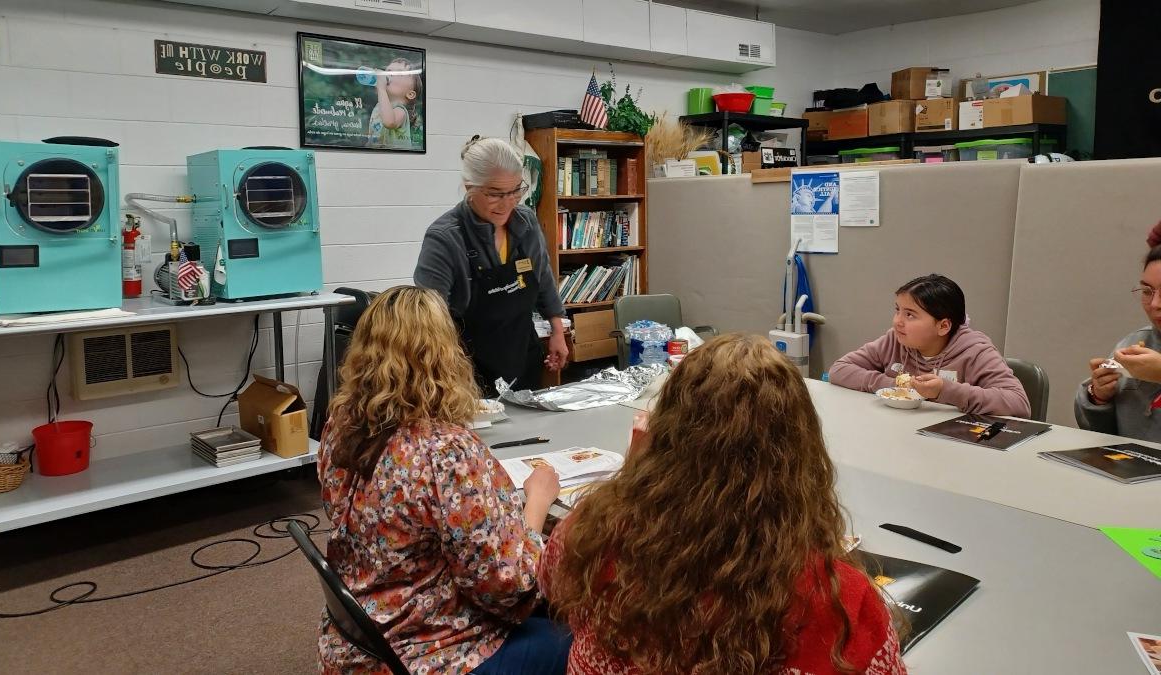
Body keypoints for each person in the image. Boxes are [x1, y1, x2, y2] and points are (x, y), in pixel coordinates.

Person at [539, 334, 906, 675]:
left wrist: (633, 479)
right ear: (799, 452)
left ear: (666, 433)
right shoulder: (839, 601)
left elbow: (549, 583)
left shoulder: (592, 532)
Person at [317, 286, 570, 675]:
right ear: (443, 356)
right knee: (580, 630)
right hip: (428, 652)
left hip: (360, 637)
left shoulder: (339, 428)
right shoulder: (445, 453)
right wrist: (535, 504)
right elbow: (510, 587)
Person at [414, 136, 568, 393]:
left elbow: (543, 280)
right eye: (495, 194)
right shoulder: (445, 238)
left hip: (522, 355)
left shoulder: (526, 223)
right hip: (466, 367)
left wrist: (557, 331)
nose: (507, 203)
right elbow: (429, 318)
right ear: (468, 187)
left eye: (515, 191)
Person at [829, 274, 1030, 417]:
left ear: (943, 326)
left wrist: (946, 390)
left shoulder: (975, 351)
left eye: (910, 315)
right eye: (897, 310)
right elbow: (839, 370)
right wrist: (897, 386)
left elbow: (1018, 403)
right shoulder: (895, 340)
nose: (897, 321)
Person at [1075, 246, 1161, 440]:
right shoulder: (1135, 342)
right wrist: (1099, 397)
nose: (1155, 304)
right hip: (1131, 465)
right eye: (1147, 291)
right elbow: (1104, 437)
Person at [367, 58, 420, 149]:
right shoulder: (378, 107)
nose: (390, 74)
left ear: (410, 94)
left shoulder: (401, 111)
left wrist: (382, 89)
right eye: (388, 71)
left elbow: (389, 122)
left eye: (399, 74)